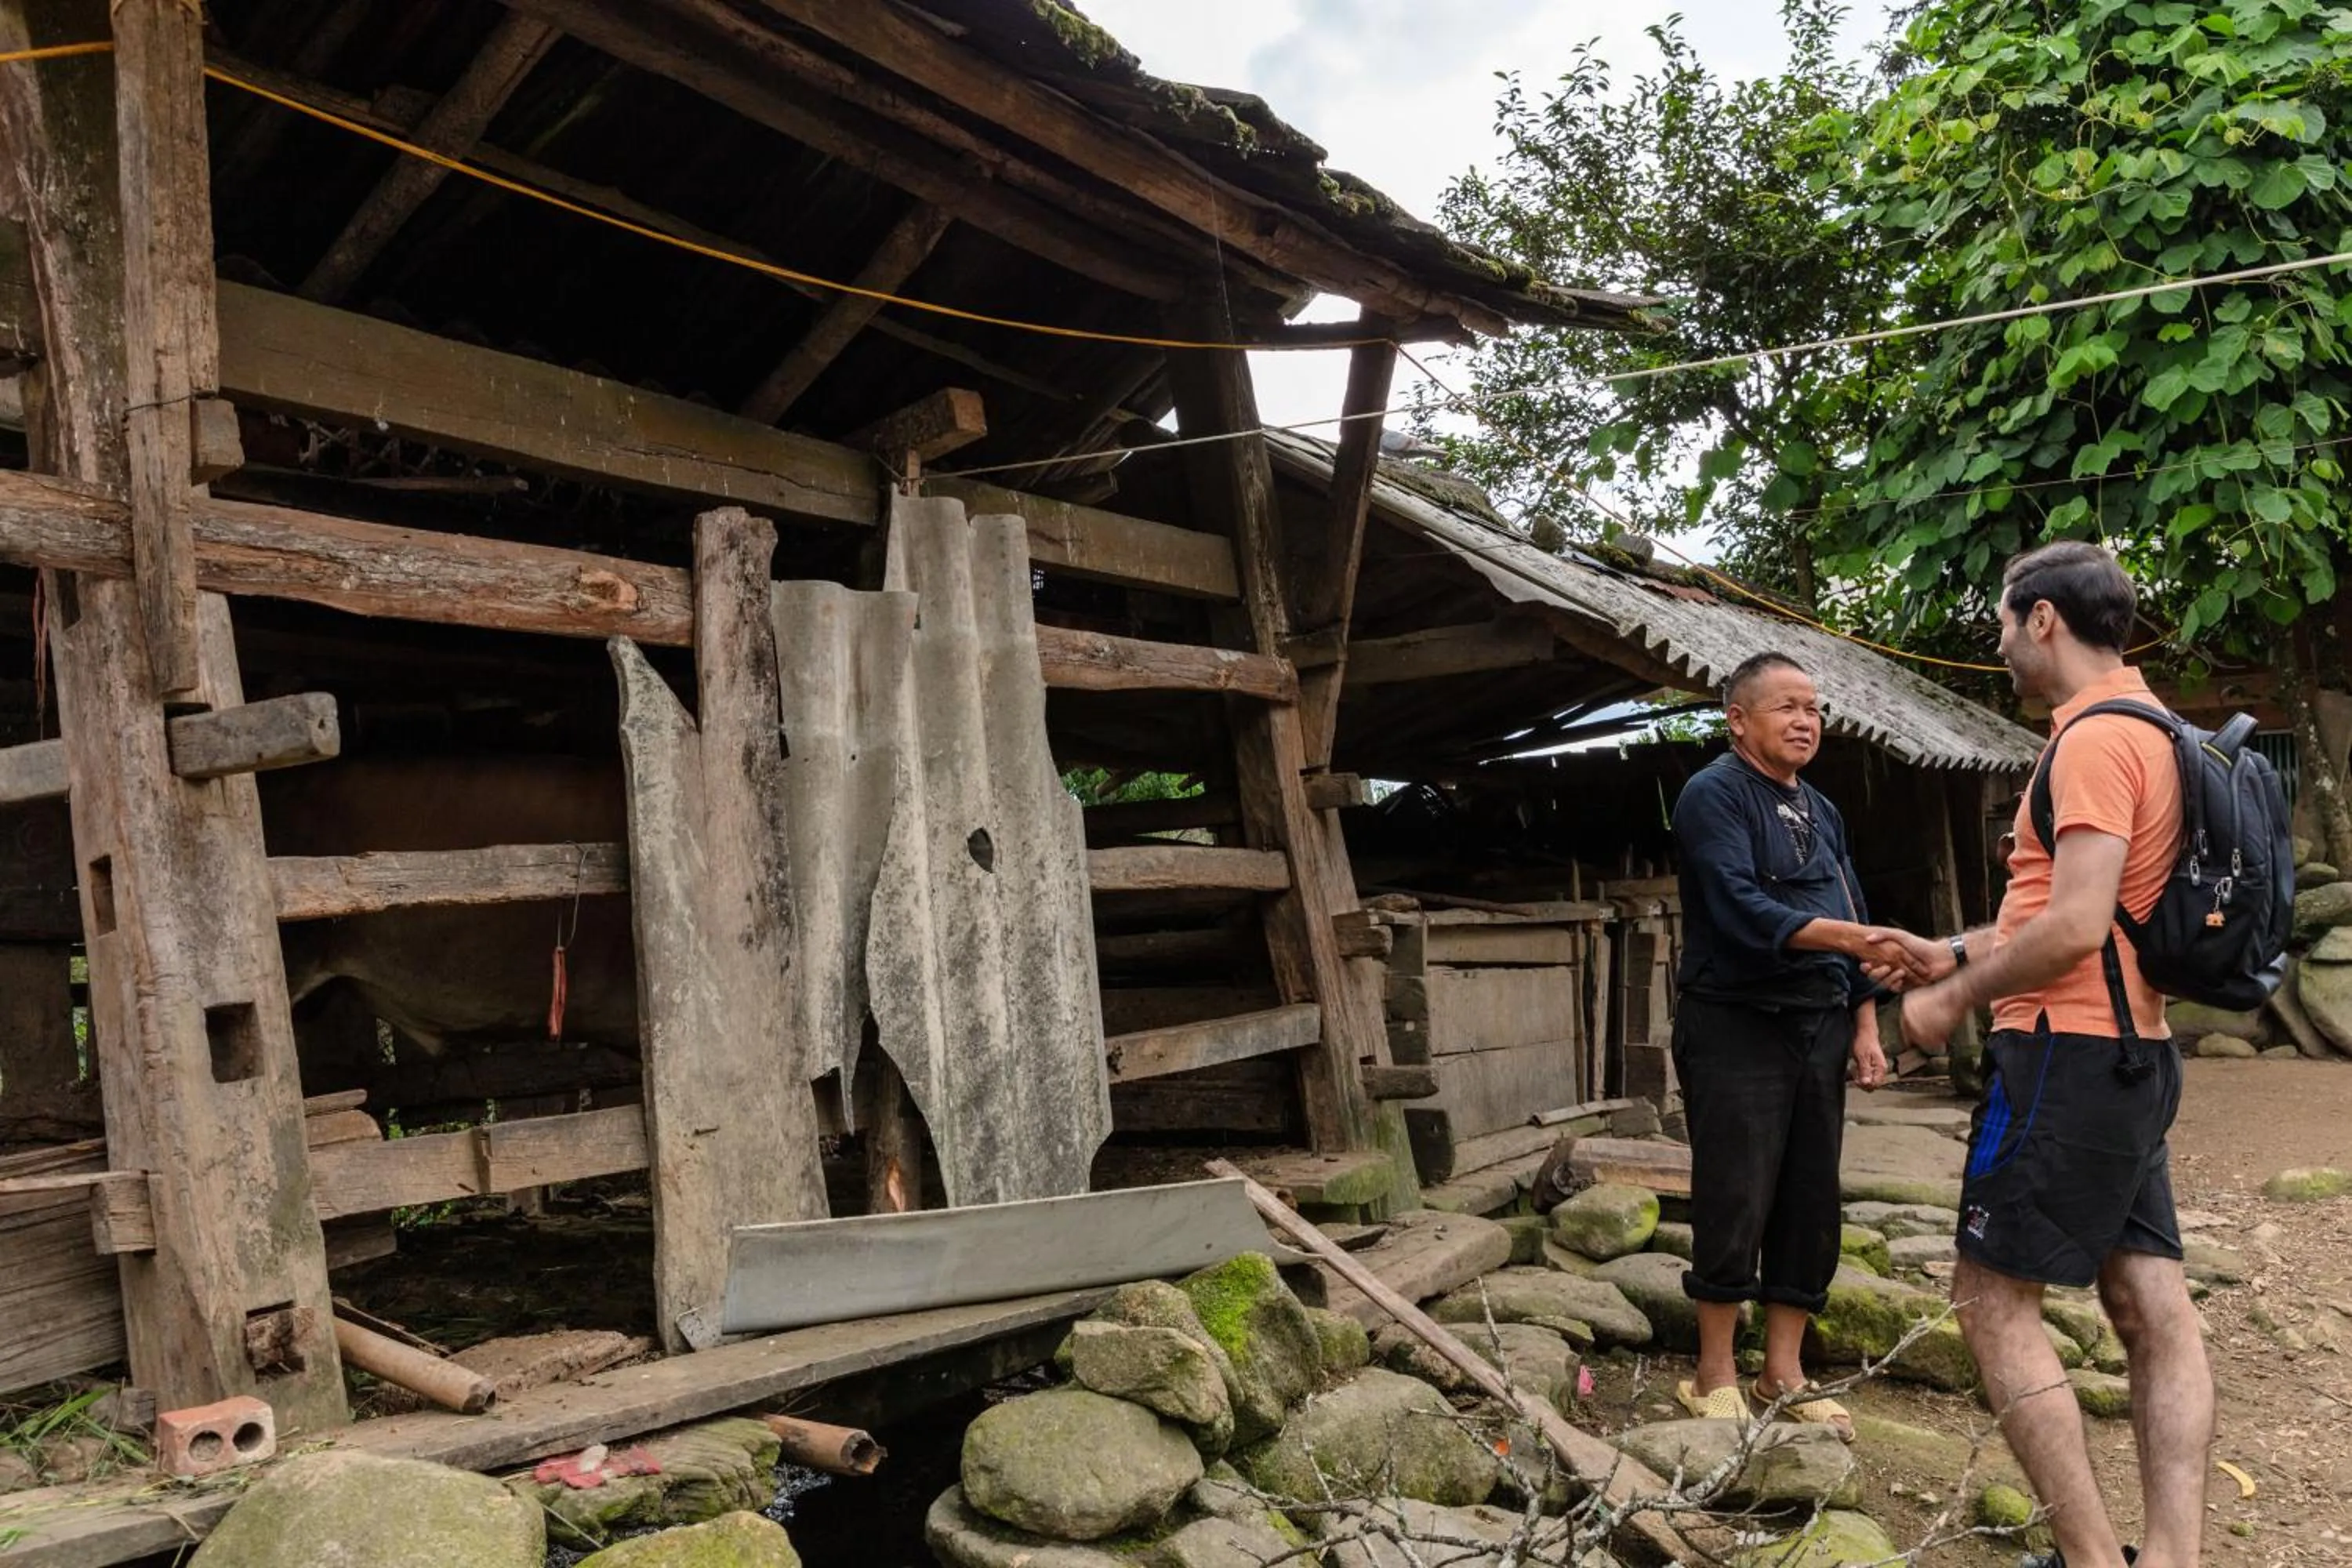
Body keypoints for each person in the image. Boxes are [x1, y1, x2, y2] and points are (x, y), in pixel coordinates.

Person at [1885, 542, 2209, 1568]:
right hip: (2131, 1052)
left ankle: (2091, 1557)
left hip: (2064, 1057)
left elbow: (2071, 929)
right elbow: (2078, 915)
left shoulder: (2092, 743)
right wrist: (1949, 947)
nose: (1998, 646)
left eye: (2000, 625)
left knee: (1989, 1301)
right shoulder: (2155, 727)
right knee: (2150, 1301)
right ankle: (2170, 1555)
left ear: (2043, 622)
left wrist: (1952, 1000)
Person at [1668, 650, 1910, 1439]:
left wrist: (1866, 1018)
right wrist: (1855, 936)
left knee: (1809, 1196)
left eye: (1814, 707)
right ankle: (1712, 1375)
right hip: (1736, 1020)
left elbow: (1850, 898)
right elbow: (1738, 906)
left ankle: (1784, 1369)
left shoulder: (1823, 808)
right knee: (1735, 1189)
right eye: (1787, 707)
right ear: (1739, 719)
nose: (1807, 720)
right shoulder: (1713, 797)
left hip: (1820, 1021)